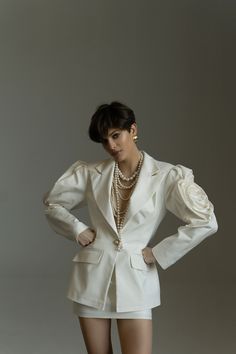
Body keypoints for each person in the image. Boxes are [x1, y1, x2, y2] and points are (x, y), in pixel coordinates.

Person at [43, 101, 218, 354]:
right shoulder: (91, 173)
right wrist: (76, 228)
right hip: (92, 279)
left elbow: (206, 221)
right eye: (104, 141)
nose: (111, 146)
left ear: (133, 130)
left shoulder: (166, 176)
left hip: (136, 280)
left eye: (116, 135)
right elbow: (52, 202)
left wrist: (159, 252)